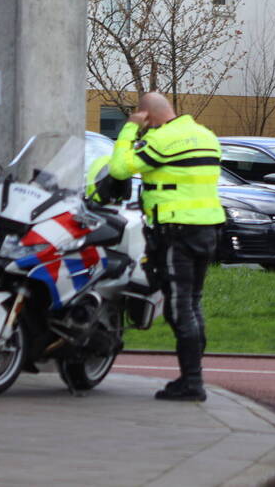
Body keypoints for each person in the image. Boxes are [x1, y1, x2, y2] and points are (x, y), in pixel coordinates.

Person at [109, 93, 224, 402]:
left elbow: (120, 169)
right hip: (208, 228)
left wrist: (130, 129)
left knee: (178, 308)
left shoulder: (162, 141)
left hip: (176, 232)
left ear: (146, 114)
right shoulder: (207, 135)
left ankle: (192, 383)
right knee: (194, 302)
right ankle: (192, 377)